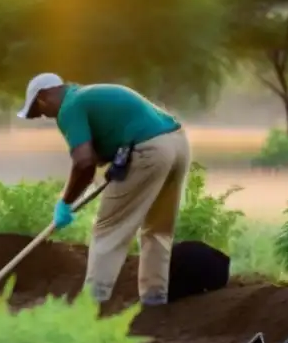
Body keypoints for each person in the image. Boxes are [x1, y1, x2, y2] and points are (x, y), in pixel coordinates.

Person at [16, 73, 191, 306]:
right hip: (178, 145)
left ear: (43, 97)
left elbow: (84, 163)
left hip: (149, 151)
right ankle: (154, 298)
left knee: (108, 229)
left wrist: (65, 202)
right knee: (157, 228)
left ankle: (92, 304)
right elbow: (98, 156)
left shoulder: (70, 107)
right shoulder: (90, 96)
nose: (44, 116)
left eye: (38, 111)